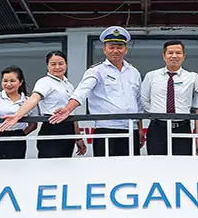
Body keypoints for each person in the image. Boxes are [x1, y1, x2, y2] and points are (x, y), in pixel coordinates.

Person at [49, 26, 143, 157]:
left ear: (125, 49)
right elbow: (81, 92)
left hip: (132, 129)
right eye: (111, 47)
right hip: (107, 129)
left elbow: (138, 101)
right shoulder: (96, 71)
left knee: (131, 168)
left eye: (119, 47)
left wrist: (140, 128)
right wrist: (68, 109)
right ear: (104, 49)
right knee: (105, 168)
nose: (115, 50)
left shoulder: (134, 72)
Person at [0, 51, 87, 158]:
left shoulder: (68, 85)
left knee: (65, 165)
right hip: (52, 127)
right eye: (53, 64)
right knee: (49, 165)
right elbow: (33, 99)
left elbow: (71, 113)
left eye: (61, 63)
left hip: (68, 128)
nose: (57, 67)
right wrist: (17, 115)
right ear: (47, 65)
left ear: (66, 64)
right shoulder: (44, 82)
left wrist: (78, 137)